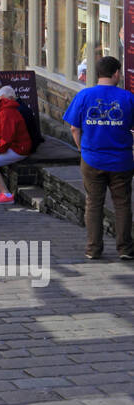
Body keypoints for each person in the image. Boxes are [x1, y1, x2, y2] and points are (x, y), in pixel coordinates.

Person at [63, 54, 134, 260]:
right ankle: (125, 249)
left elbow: (74, 128)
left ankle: (93, 249)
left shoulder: (84, 96)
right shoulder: (128, 98)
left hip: (92, 159)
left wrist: (82, 149)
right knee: (122, 204)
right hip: (121, 160)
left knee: (94, 203)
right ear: (116, 73)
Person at [0, 85, 32, 204]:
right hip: (14, 145)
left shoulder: (5, 113)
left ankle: (6, 194)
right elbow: (4, 136)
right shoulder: (3, 110)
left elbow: (7, 138)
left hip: (20, 148)